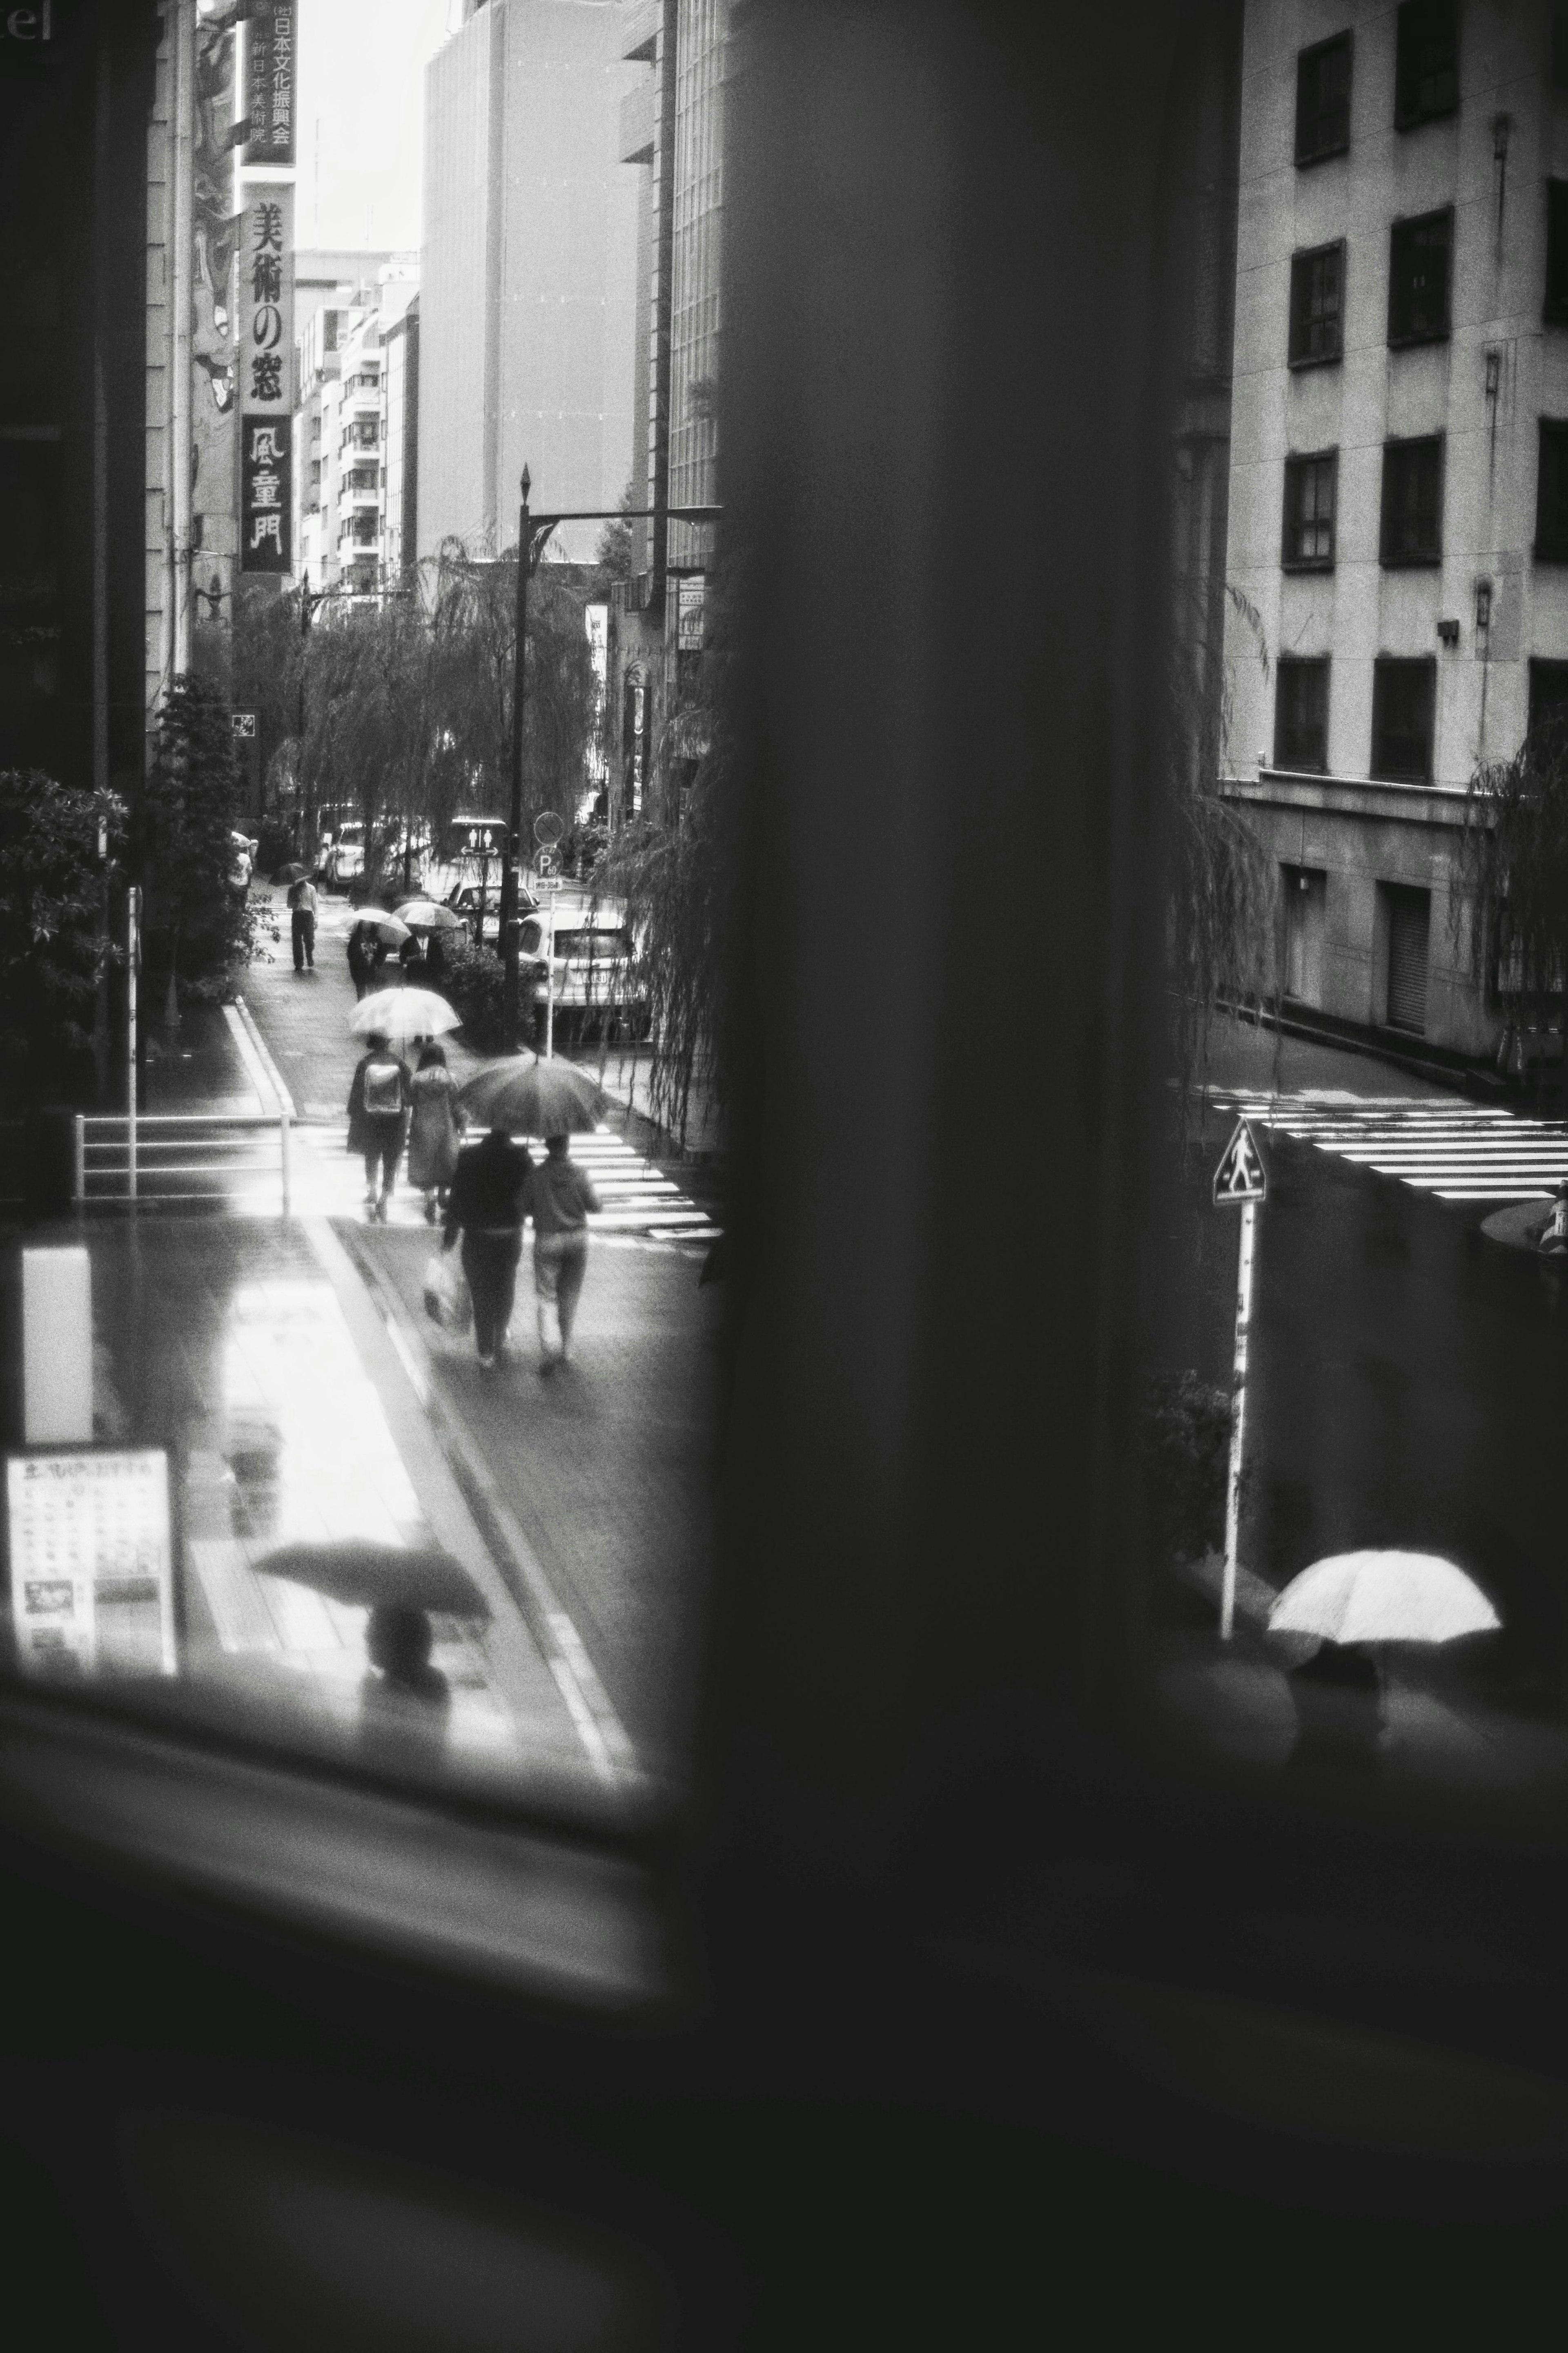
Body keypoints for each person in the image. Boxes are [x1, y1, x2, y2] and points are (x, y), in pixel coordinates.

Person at [442, 1122, 533, 1370]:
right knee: (505, 1286)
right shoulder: (521, 1158)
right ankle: (501, 1332)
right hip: (509, 1236)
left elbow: (457, 1199)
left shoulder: (470, 1157)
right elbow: (530, 1198)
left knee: (481, 1293)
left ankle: (485, 1350)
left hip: (477, 1236)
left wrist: (450, 1238)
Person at [523, 1133, 603, 1376]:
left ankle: (549, 1348)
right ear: (567, 1145)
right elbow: (596, 1206)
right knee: (569, 1294)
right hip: (577, 1239)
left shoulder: (536, 1175)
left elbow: (524, 1207)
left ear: (547, 1145)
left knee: (547, 1296)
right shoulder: (580, 1174)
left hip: (548, 1239)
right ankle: (567, 1347)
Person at [346, 1029, 412, 1221]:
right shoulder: (400, 1063)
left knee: (372, 1155)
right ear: (389, 1043)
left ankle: (372, 1190)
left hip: (371, 1119)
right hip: (395, 1120)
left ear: (372, 1043)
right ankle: (384, 1197)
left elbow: (357, 1094)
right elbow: (409, 1096)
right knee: (392, 1159)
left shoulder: (365, 1064)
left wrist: (355, 1114)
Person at [408, 1042, 466, 1224]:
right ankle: (442, 1195)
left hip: (422, 1128)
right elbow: (458, 1106)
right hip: (446, 1128)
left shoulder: (416, 1079)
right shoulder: (451, 1079)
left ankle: (430, 1199)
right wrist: (463, 1125)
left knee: (425, 1163)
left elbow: (409, 1102)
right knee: (444, 1162)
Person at [287, 873, 318, 972]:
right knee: (297, 940)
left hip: (308, 915)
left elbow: (315, 905)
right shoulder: (292, 889)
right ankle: (298, 963)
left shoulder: (311, 889)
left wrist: (316, 920)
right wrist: (295, 900)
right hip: (297, 915)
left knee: (309, 939)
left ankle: (309, 955)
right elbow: (289, 905)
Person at [347, 921, 378, 1001]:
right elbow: (350, 954)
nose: (367, 926)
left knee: (373, 994)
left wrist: (377, 963)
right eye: (365, 924)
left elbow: (381, 953)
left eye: (369, 923)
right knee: (361, 993)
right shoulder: (356, 939)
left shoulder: (377, 940)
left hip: (372, 970)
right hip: (359, 970)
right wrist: (358, 962)